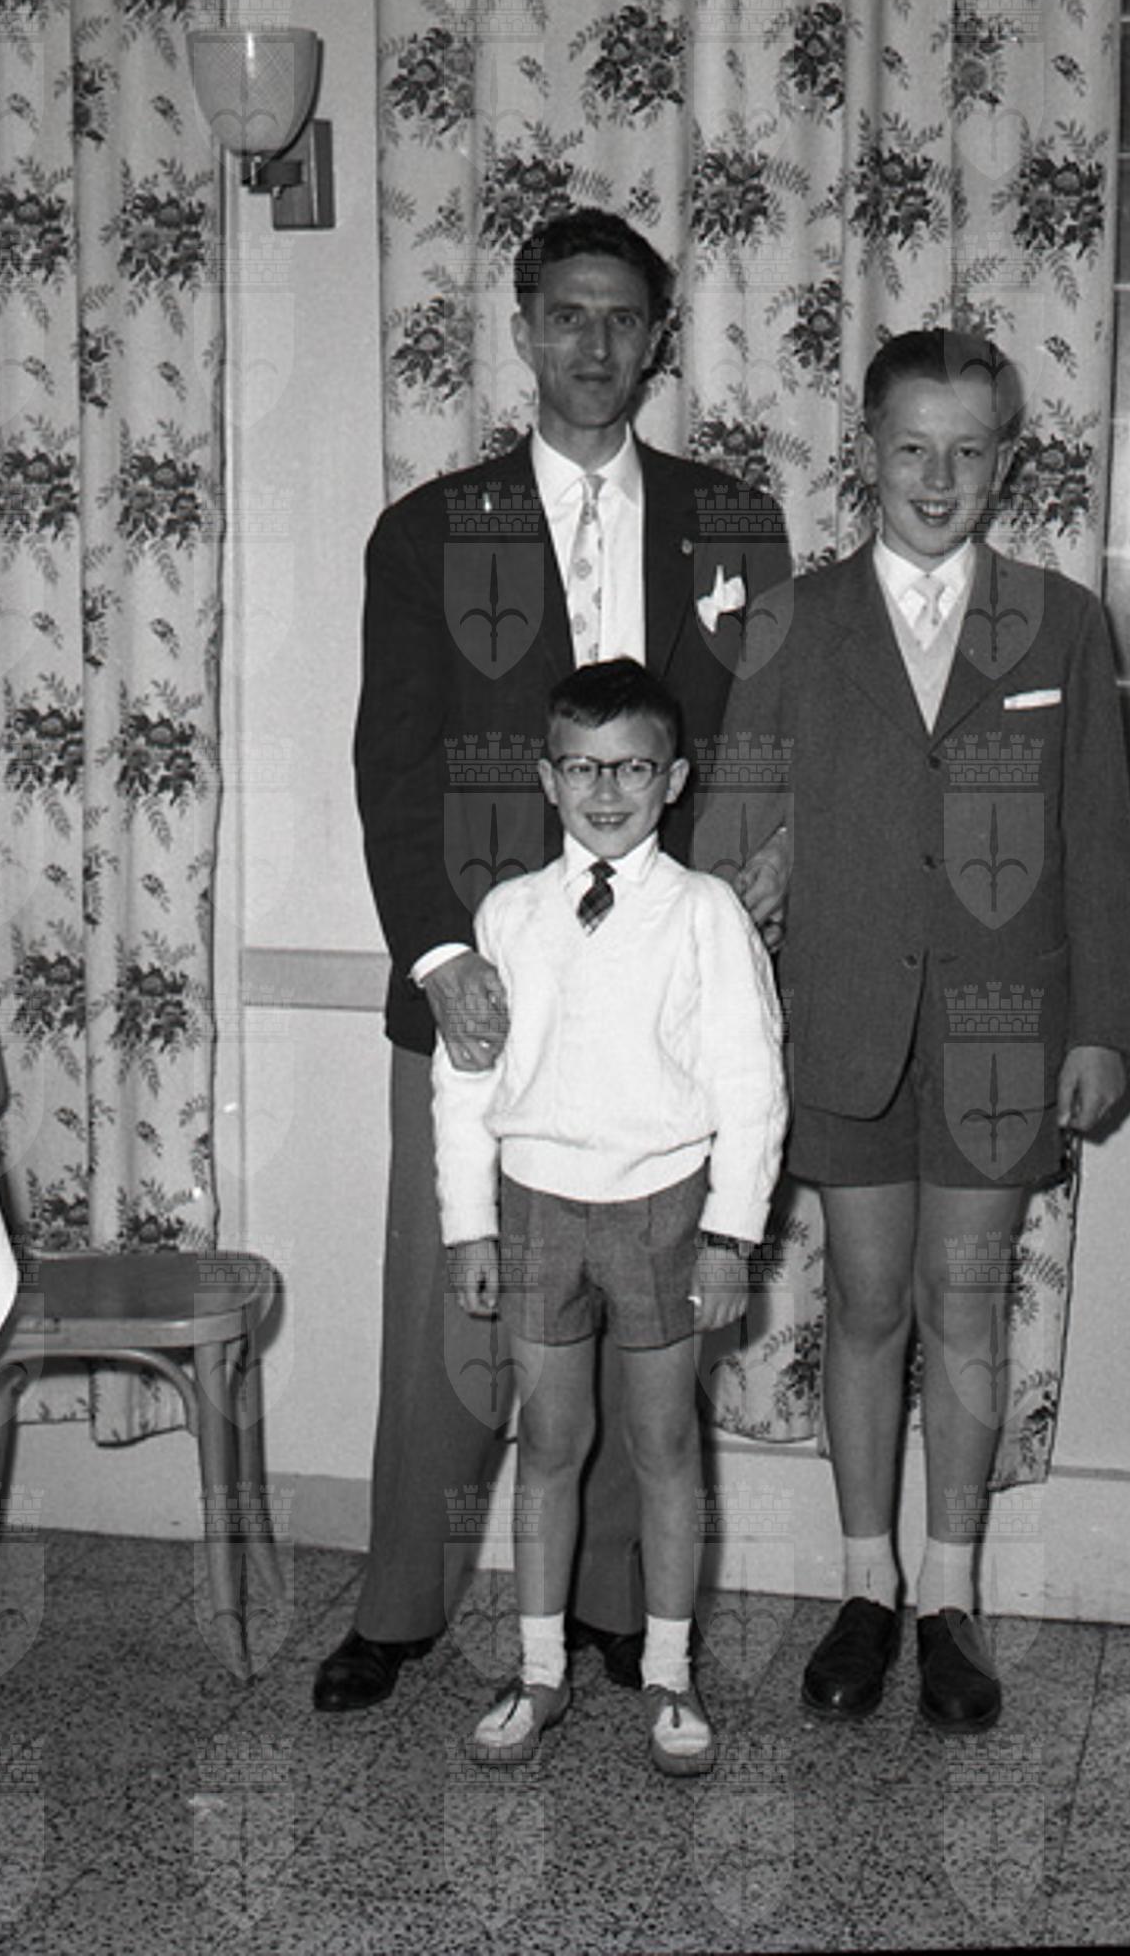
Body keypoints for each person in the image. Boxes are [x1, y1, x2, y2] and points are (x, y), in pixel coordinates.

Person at [331, 209, 790, 1712]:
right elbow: (391, 764)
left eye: (624, 318)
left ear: (657, 340)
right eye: (568, 315)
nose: (596, 344)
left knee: (641, 1333)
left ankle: (609, 1610)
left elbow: (757, 743)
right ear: (523, 328)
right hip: (488, 987)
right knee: (458, 1321)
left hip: (659, 997)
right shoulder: (427, 530)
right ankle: (401, 1605)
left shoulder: (732, 523)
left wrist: (747, 901)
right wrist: (438, 954)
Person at [705, 329, 1130, 1731]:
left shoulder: (1060, 623)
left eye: (967, 451)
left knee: (965, 1302)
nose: (937, 478)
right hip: (842, 1020)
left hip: (1006, 1032)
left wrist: (1103, 1025)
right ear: (867, 454)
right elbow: (730, 835)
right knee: (865, 1303)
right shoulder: (791, 621)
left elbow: (1098, 841)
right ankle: (863, 1587)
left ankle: (950, 1597)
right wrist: (744, 902)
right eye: (910, 448)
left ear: (1004, 463)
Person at [434, 657, 786, 1772]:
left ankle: (670, 1673)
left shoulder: (705, 913)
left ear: (672, 779)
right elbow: (466, 1080)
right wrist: (468, 1221)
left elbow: (752, 1085)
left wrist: (731, 1235)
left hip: (664, 1211)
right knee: (548, 1440)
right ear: (547, 778)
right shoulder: (509, 913)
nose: (605, 790)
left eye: (632, 767)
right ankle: (539, 1670)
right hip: (540, 1208)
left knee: (665, 1440)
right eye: (581, 768)